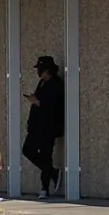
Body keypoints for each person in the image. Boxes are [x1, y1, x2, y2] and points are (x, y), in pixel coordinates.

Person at [23, 56, 65, 200]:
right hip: (36, 126)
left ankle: (44, 188)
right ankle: (53, 172)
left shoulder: (56, 84)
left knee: (46, 155)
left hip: (49, 127)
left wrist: (37, 102)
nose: (39, 73)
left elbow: (53, 106)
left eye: (40, 69)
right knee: (28, 150)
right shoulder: (42, 83)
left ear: (47, 70)